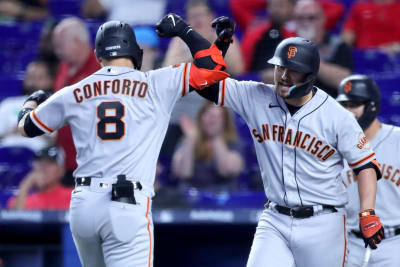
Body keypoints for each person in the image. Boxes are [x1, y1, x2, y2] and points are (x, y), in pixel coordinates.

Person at [16, 14, 230, 267]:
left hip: (84, 205)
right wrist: (183, 30)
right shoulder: (156, 82)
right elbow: (213, 67)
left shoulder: (74, 90)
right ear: (135, 52)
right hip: (126, 204)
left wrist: (32, 101)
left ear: (98, 56)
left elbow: (26, 128)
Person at [195, 34, 384, 266]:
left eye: (293, 70)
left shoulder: (336, 116)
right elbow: (205, 84)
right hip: (275, 218)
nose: (283, 76)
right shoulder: (256, 96)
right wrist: (212, 43)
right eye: (279, 68)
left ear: (310, 75)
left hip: (324, 223)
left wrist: (367, 212)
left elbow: (365, 165)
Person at [161, 0, 244, 157]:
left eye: (201, 15)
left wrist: (210, 46)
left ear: (211, 17)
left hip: (215, 107)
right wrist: (204, 53)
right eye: (193, 16)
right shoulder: (179, 41)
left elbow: (238, 68)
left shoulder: (223, 37)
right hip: (183, 109)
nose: (198, 20)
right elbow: (167, 70)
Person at [336, 75, 400, 267]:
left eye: (353, 104)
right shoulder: (333, 145)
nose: (348, 112)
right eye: (343, 106)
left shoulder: (397, 140)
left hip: (394, 243)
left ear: (372, 106)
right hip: (349, 243)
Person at [52, 17, 101, 185]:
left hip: (93, 161)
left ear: (78, 41)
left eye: (60, 45)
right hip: (66, 159)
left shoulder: (100, 67)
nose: (56, 50)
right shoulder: (64, 66)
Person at [171, 101, 244, 192]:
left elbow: (225, 171)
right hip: (190, 197)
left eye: (217, 117)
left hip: (221, 198)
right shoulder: (187, 140)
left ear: (225, 122)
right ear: (201, 117)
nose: (212, 120)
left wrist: (216, 137)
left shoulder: (233, 143)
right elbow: (183, 173)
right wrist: (190, 139)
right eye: (209, 115)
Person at [294, 0, 353, 98]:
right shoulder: (285, 44)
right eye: (300, 18)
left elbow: (345, 81)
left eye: (311, 18)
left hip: (329, 104)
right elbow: (267, 77)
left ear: (323, 19)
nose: (305, 22)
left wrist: (307, 53)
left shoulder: (337, 45)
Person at [0, 60, 54, 152]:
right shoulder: (8, 104)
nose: (33, 81)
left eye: (39, 78)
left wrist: (32, 128)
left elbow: (55, 140)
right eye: (30, 77)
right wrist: (14, 131)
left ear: (49, 80)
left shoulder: (53, 105)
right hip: (7, 152)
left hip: (40, 156)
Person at [6, 146, 72, 210]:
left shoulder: (73, 196)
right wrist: (25, 185)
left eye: (50, 162)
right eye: (40, 162)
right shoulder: (22, 198)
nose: (43, 167)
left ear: (61, 171)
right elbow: (16, 219)